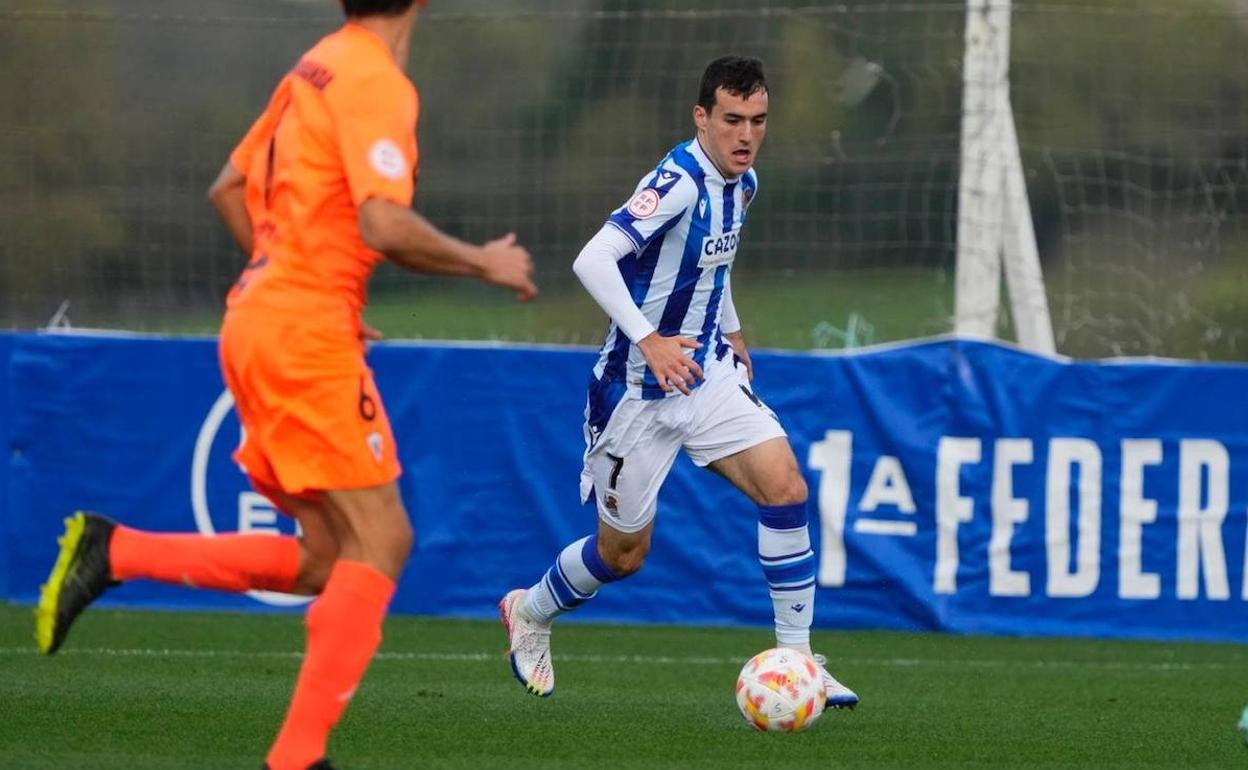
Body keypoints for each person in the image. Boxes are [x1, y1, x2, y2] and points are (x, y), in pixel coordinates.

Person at [34, 1, 536, 769]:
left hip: (259, 318)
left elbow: (227, 190)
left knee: (327, 559)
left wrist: (293, 284)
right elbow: (383, 226)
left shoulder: (315, 63)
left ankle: (116, 551)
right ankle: (297, 757)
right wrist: (484, 262)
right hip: (301, 332)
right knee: (385, 539)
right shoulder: (376, 80)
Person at [498, 56, 857, 710]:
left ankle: (799, 661)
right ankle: (531, 610)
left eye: (758, 121)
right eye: (731, 120)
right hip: (636, 391)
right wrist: (650, 340)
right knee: (624, 554)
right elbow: (592, 258)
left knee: (785, 485)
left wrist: (735, 329)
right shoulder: (677, 183)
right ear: (702, 117)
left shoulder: (743, 185)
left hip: (707, 370)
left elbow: (712, 269)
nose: (745, 135)